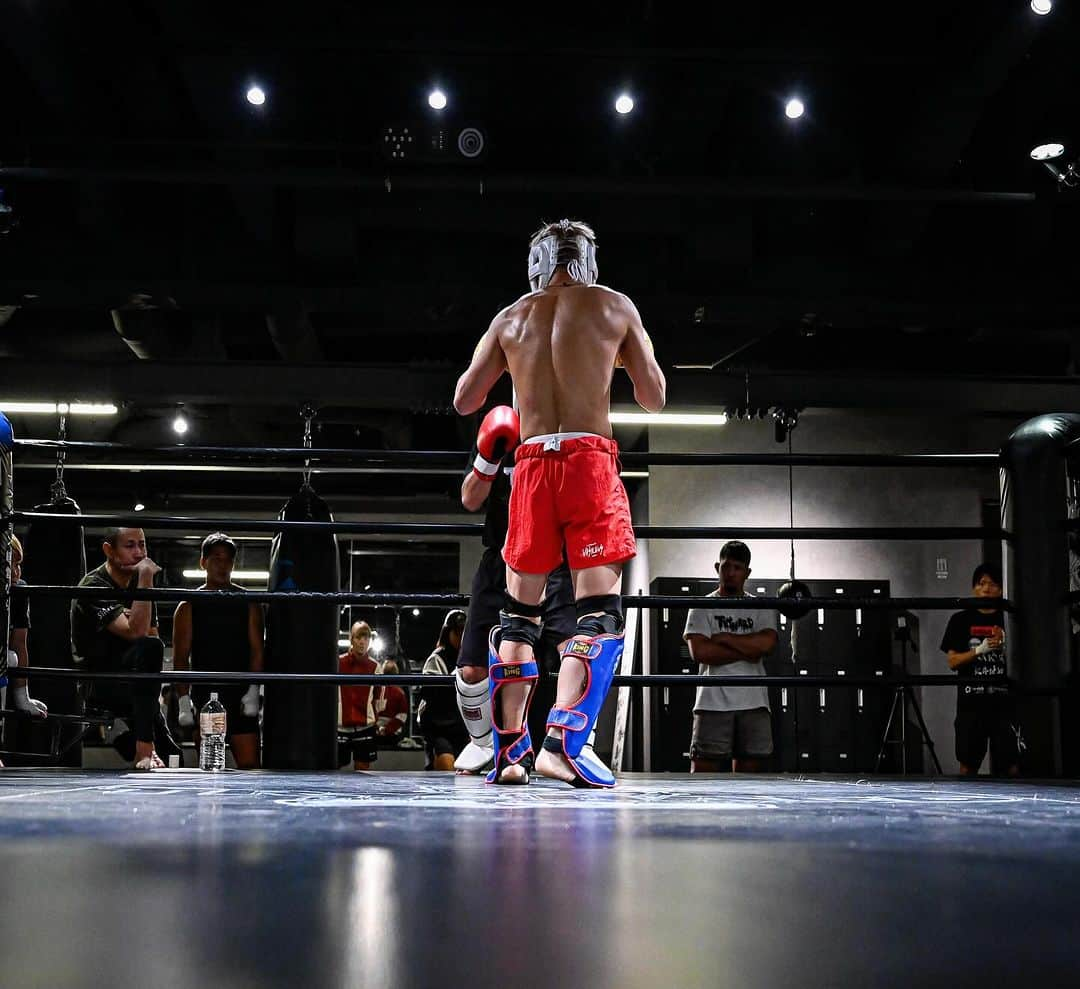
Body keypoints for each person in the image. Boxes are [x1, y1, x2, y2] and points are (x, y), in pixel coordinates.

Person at [453, 217, 666, 787]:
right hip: (587, 463)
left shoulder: (509, 318)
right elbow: (654, 397)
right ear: (588, 260)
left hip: (530, 465)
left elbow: (465, 398)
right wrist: (613, 353)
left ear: (536, 263)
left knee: (517, 614)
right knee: (597, 613)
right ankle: (562, 745)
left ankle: (509, 752)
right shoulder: (613, 305)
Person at [452, 405, 577, 776]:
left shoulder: (567, 414)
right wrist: (489, 456)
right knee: (473, 669)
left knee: (573, 652)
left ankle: (574, 744)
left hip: (555, 559)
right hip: (500, 557)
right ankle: (484, 744)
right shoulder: (496, 421)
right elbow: (469, 499)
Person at [70, 526, 181, 770]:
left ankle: (130, 740)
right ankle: (142, 748)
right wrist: (145, 581)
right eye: (130, 545)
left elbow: (150, 636)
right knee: (146, 649)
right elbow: (136, 632)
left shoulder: (136, 584)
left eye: (142, 544)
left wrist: (133, 618)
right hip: (100, 680)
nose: (139, 552)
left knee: (174, 756)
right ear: (109, 550)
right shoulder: (94, 585)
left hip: (136, 681)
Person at [682, 540, 779, 773]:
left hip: (754, 702)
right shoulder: (701, 606)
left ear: (747, 572)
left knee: (751, 782)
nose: (731, 573)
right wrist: (748, 648)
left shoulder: (761, 606)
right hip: (711, 702)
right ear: (717, 567)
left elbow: (766, 645)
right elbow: (701, 652)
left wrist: (724, 638)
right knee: (704, 777)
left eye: (737, 568)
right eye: (726, 567)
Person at [172, 532, 264, 770]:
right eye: (216, 558)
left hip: (241, 695)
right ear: (203, 562)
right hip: (207, 696)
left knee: (251, 766)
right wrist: (184, 701)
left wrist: (254, 690)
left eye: (228, 560)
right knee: (209, 769)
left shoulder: (248, 602)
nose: (222, 565)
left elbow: (257, 649)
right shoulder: (189, 605)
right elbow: (181, 658)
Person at [940, 562, 1023, 776]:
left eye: (993, 584)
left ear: (1002, 589)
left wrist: (1007, 646)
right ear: (973, 587)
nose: (986, 588)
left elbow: (1026, 661)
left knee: (1012, 765)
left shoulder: (1011, 619)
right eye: (981, 583)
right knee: (968, 765)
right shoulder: (960, 619)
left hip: (1004, 703)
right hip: (971, 704)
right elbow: (952, 662)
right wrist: (980, 650)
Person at [2, 535, 48, 768]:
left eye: (19, 564)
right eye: (11, 564)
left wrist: (23, 696)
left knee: (9, 657)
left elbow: (20, 642)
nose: (17, 571)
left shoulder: (18, 591)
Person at [418, 609, 469, 770]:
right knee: (446, 764)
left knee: (466, 769)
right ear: (448, 632)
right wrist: (455, 678)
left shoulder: (470, 659)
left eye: (464, 631)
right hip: (438, 725)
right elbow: (429, 693)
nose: (461, 636)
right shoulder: (437, 658)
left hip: (461, 725)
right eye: (457, 631)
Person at [338, 620, 380, 770]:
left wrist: (376, 720)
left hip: (365, 726)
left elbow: (378, 697)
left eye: (366, 638)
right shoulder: (338, 663)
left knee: (363, 776)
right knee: (333, 773)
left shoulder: (375, 666)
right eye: (359, 637)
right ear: (351, 639)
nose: (363, 642)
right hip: (340, 726)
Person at [373, 659, 409, 743]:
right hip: (393, 735)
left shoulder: (375, 690)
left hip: (374, 733)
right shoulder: (400, 693)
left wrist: (378, 729)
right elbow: (402, 716)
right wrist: (387, 729)